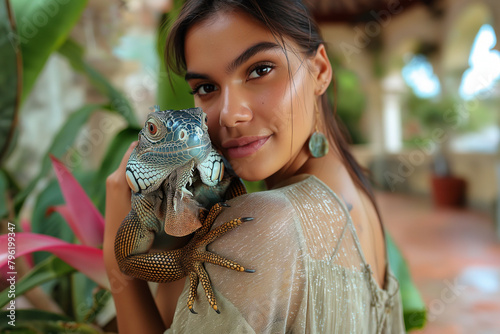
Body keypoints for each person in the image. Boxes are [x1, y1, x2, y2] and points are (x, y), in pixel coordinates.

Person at [104, 0, 405, 333]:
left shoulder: (263, 224)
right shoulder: (355, 193)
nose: (231, 115)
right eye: (206, 88)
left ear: (319, 71)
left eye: (260, 70)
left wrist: (119, 261)